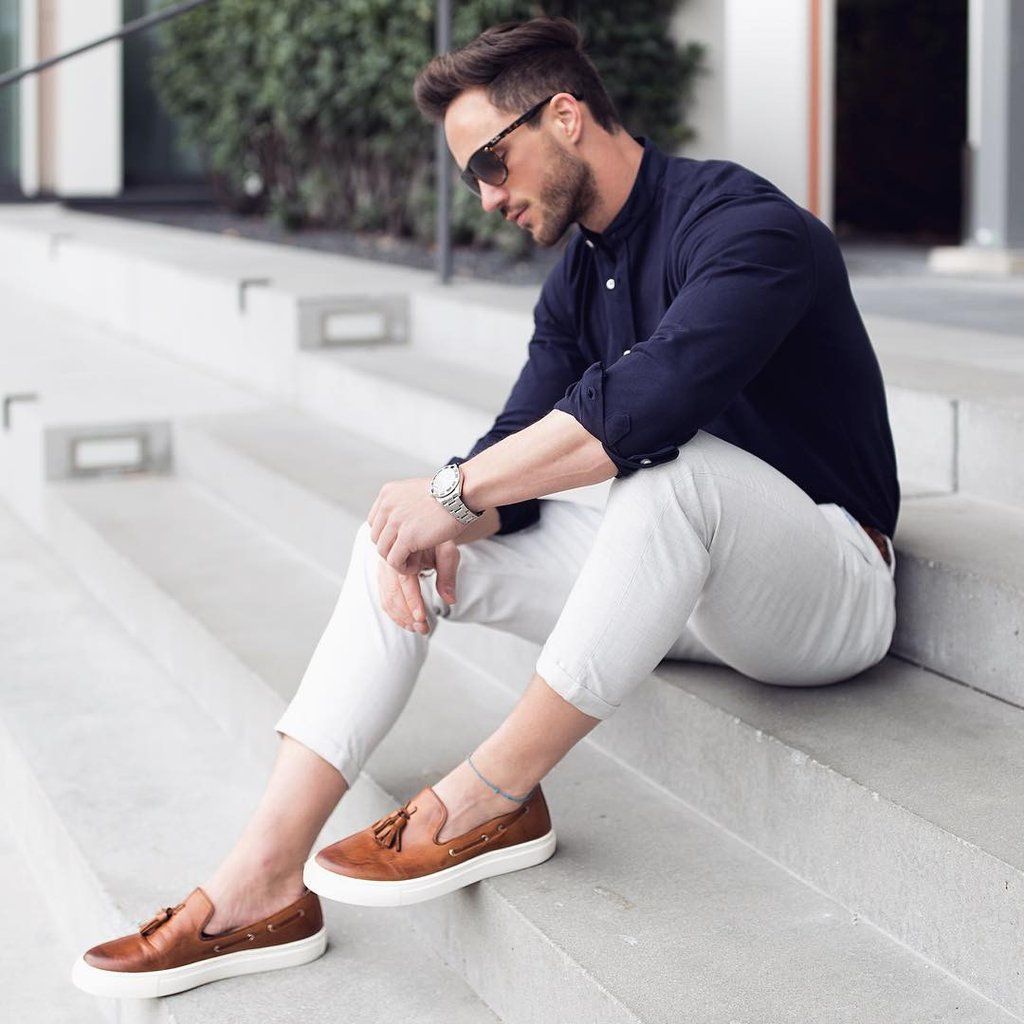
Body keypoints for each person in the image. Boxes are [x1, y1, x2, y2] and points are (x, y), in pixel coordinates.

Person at [71, 15, 899, 999]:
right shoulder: (580, 276)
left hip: (824, 587)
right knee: (400, 538)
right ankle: (261, 882)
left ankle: (494, 794)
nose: (488, 197)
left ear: (565, 116)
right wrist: (444, 516)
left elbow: (645, 409)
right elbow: (516, 443)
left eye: (492, 164)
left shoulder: (749, 230)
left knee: (668, 474)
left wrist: (455, 490)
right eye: (471, 178)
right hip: (678, 587)